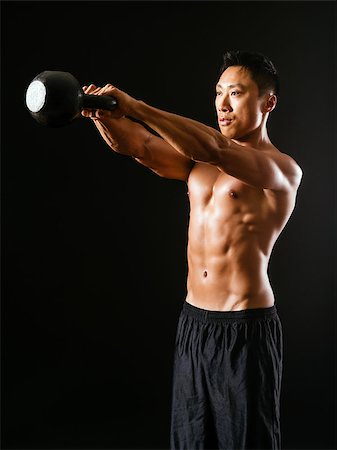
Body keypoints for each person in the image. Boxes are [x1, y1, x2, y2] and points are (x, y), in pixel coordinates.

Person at [81, 50, 302, 450]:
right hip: (194, 325)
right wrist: (107, 118)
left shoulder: (281, 170)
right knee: (191, 440)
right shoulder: (199, 163)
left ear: (267, 103)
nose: (222, 104)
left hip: (244, 329)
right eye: (218, 92)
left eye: (235, 93)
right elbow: (142, 148)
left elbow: (216, 149)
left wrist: (135, 106)